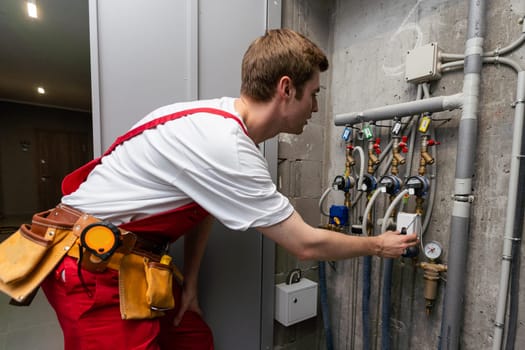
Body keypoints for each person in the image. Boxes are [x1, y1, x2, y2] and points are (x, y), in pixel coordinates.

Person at [35, 28, 417, 349]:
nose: (316, 106)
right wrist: (377, 245)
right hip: (89, 269)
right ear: (286, 89)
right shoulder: (226, 146)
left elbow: (204, 204)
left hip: (130, 264)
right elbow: (305, 244)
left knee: (193, 339)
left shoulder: (214, 120)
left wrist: (191, 286)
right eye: (313, 93)